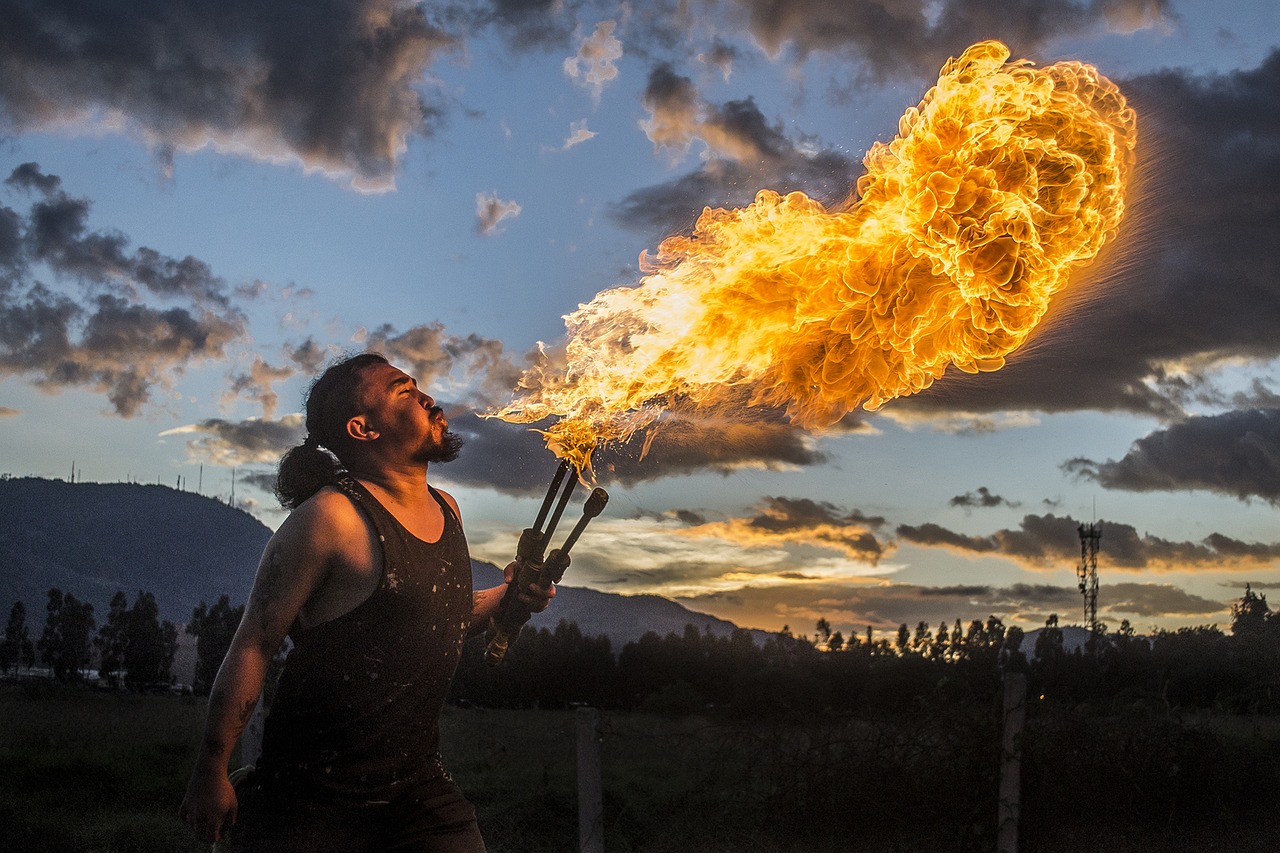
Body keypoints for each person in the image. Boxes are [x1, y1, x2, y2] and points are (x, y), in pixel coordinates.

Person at [179, 352, 553, 852]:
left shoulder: (448, 509)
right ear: (362, 428)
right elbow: (255, 644)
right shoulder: (329, 519)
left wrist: (511, 597)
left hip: (418, 792)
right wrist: (212, 767)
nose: (427, 398)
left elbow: (441, 620)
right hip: (311, 802)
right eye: (405, 391)